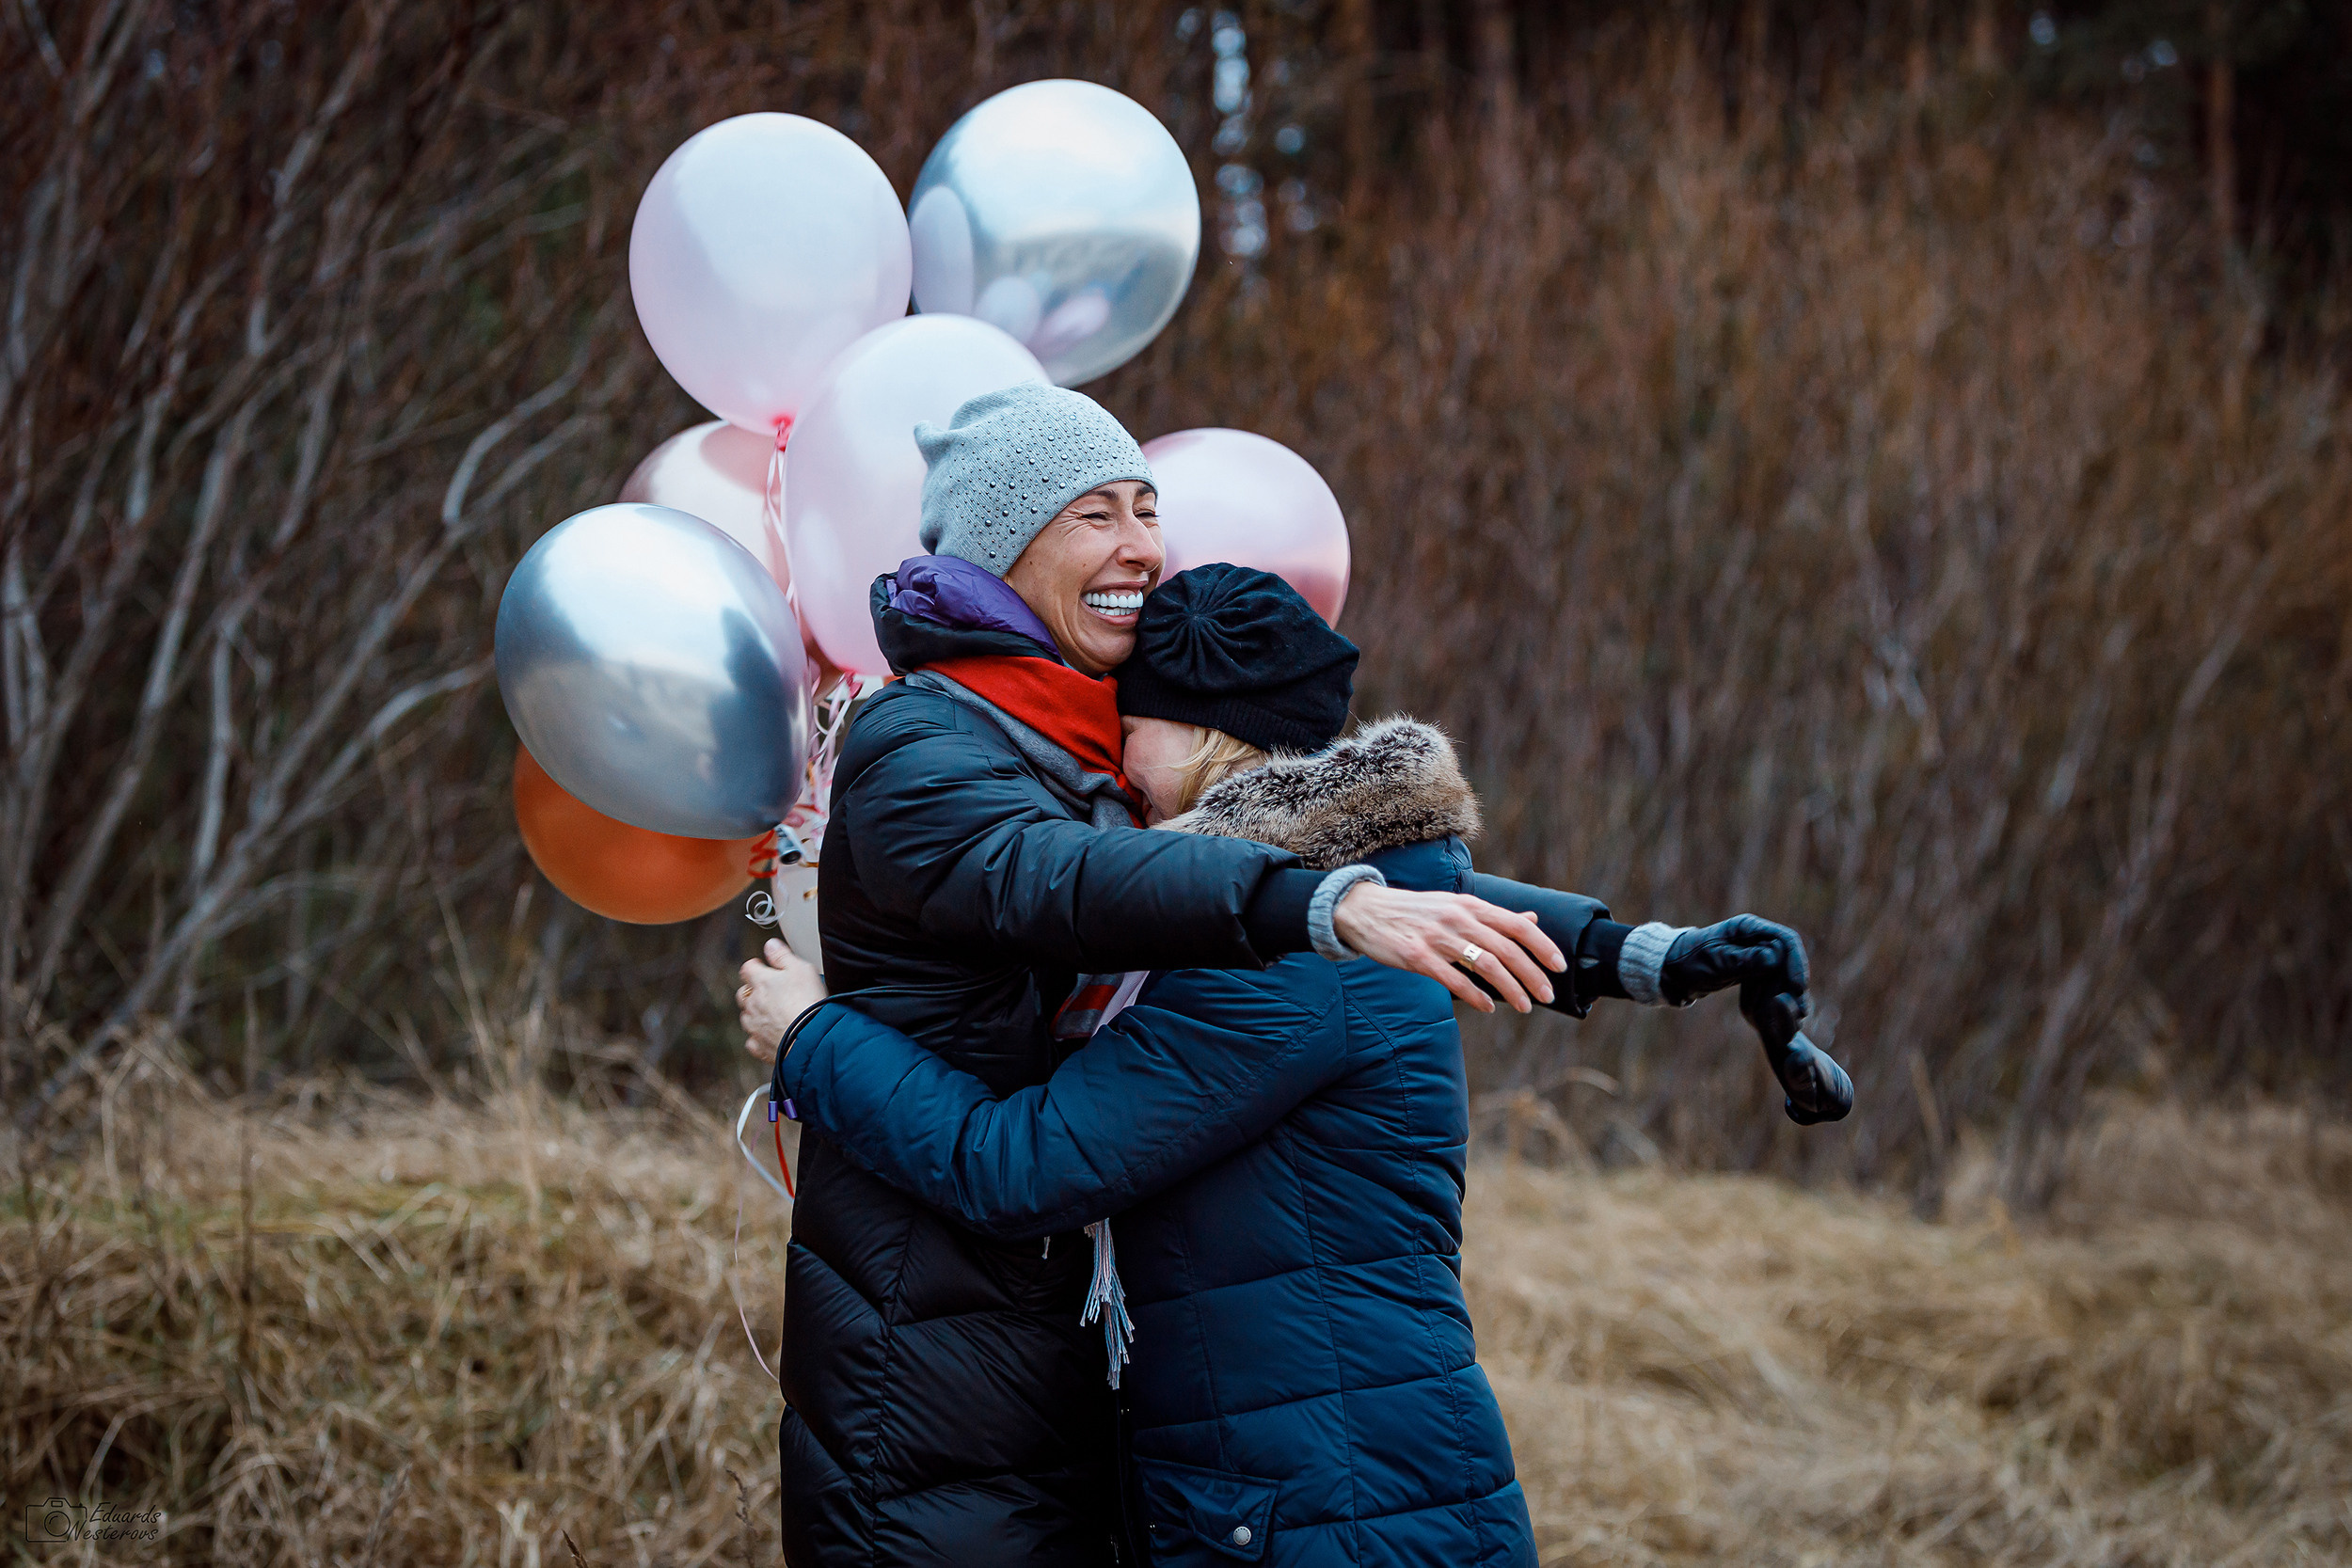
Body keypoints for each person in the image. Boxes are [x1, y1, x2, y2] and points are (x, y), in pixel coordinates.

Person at [744, 555, 1816, 1567]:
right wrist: (1639, 954)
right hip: (1326, 1485)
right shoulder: (1346, 892)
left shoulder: (1277, 968)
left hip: (1332, 1509)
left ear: (1210, 735)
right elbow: (1424, 888)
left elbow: (1013, 1167)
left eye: (1134, 719)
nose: (1111, 753)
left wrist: (812, 1037)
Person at [759, 384, 1583, 1568]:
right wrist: (1322, 903)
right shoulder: (932, 742)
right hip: (935, 1374)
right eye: (1096, 511)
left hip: (1183, 1436)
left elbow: (1048, 1121)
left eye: (1148, 506)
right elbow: (1048, 876)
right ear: (1005, 541)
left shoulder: (1108, 776)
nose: (1141, 543)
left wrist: (1621, 949)